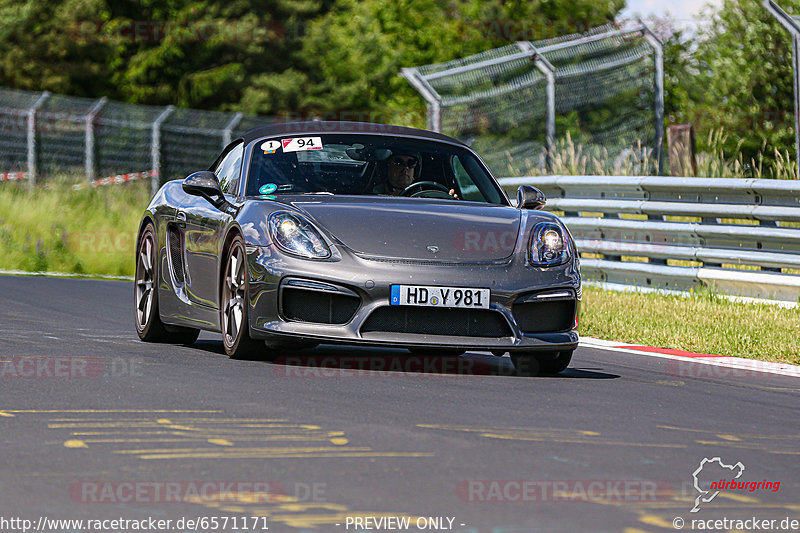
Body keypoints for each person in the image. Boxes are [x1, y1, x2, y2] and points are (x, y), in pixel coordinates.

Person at [376, 153, 459, 198]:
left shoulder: (428, 198)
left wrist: (453, 203)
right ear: (387, 167)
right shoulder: (372, 196)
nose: (406, 167)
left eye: (411, 163)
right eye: (398, 162)